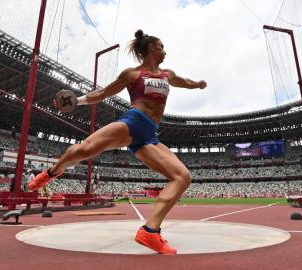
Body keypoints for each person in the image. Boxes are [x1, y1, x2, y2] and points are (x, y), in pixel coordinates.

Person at [28, 29, 207, 254]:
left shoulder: (167, 75)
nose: (165, 52)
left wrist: (198, 84)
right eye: (162, 47)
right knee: (83, 150)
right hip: (132, 122)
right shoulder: (132, 74)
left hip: (149, 136)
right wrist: (78, 100)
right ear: (151, 48)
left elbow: (185, 81)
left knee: (183, 177)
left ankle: (150, 232)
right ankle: (51, 173)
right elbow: (103, 93)